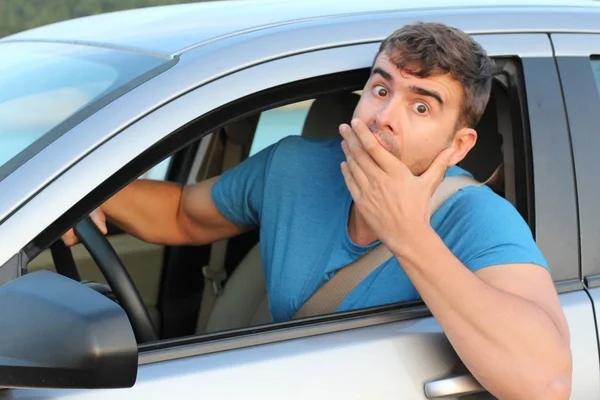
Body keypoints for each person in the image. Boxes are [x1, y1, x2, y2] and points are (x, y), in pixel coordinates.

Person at [62, 22, 571, 400]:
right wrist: (83, 196)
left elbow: (547, 382)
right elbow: (182, 214)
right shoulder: (294, 167)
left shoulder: (476, 217)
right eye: (380, 88)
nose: (385, 116)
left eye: (421, 106)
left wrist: (408, 234)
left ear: (458, 145)